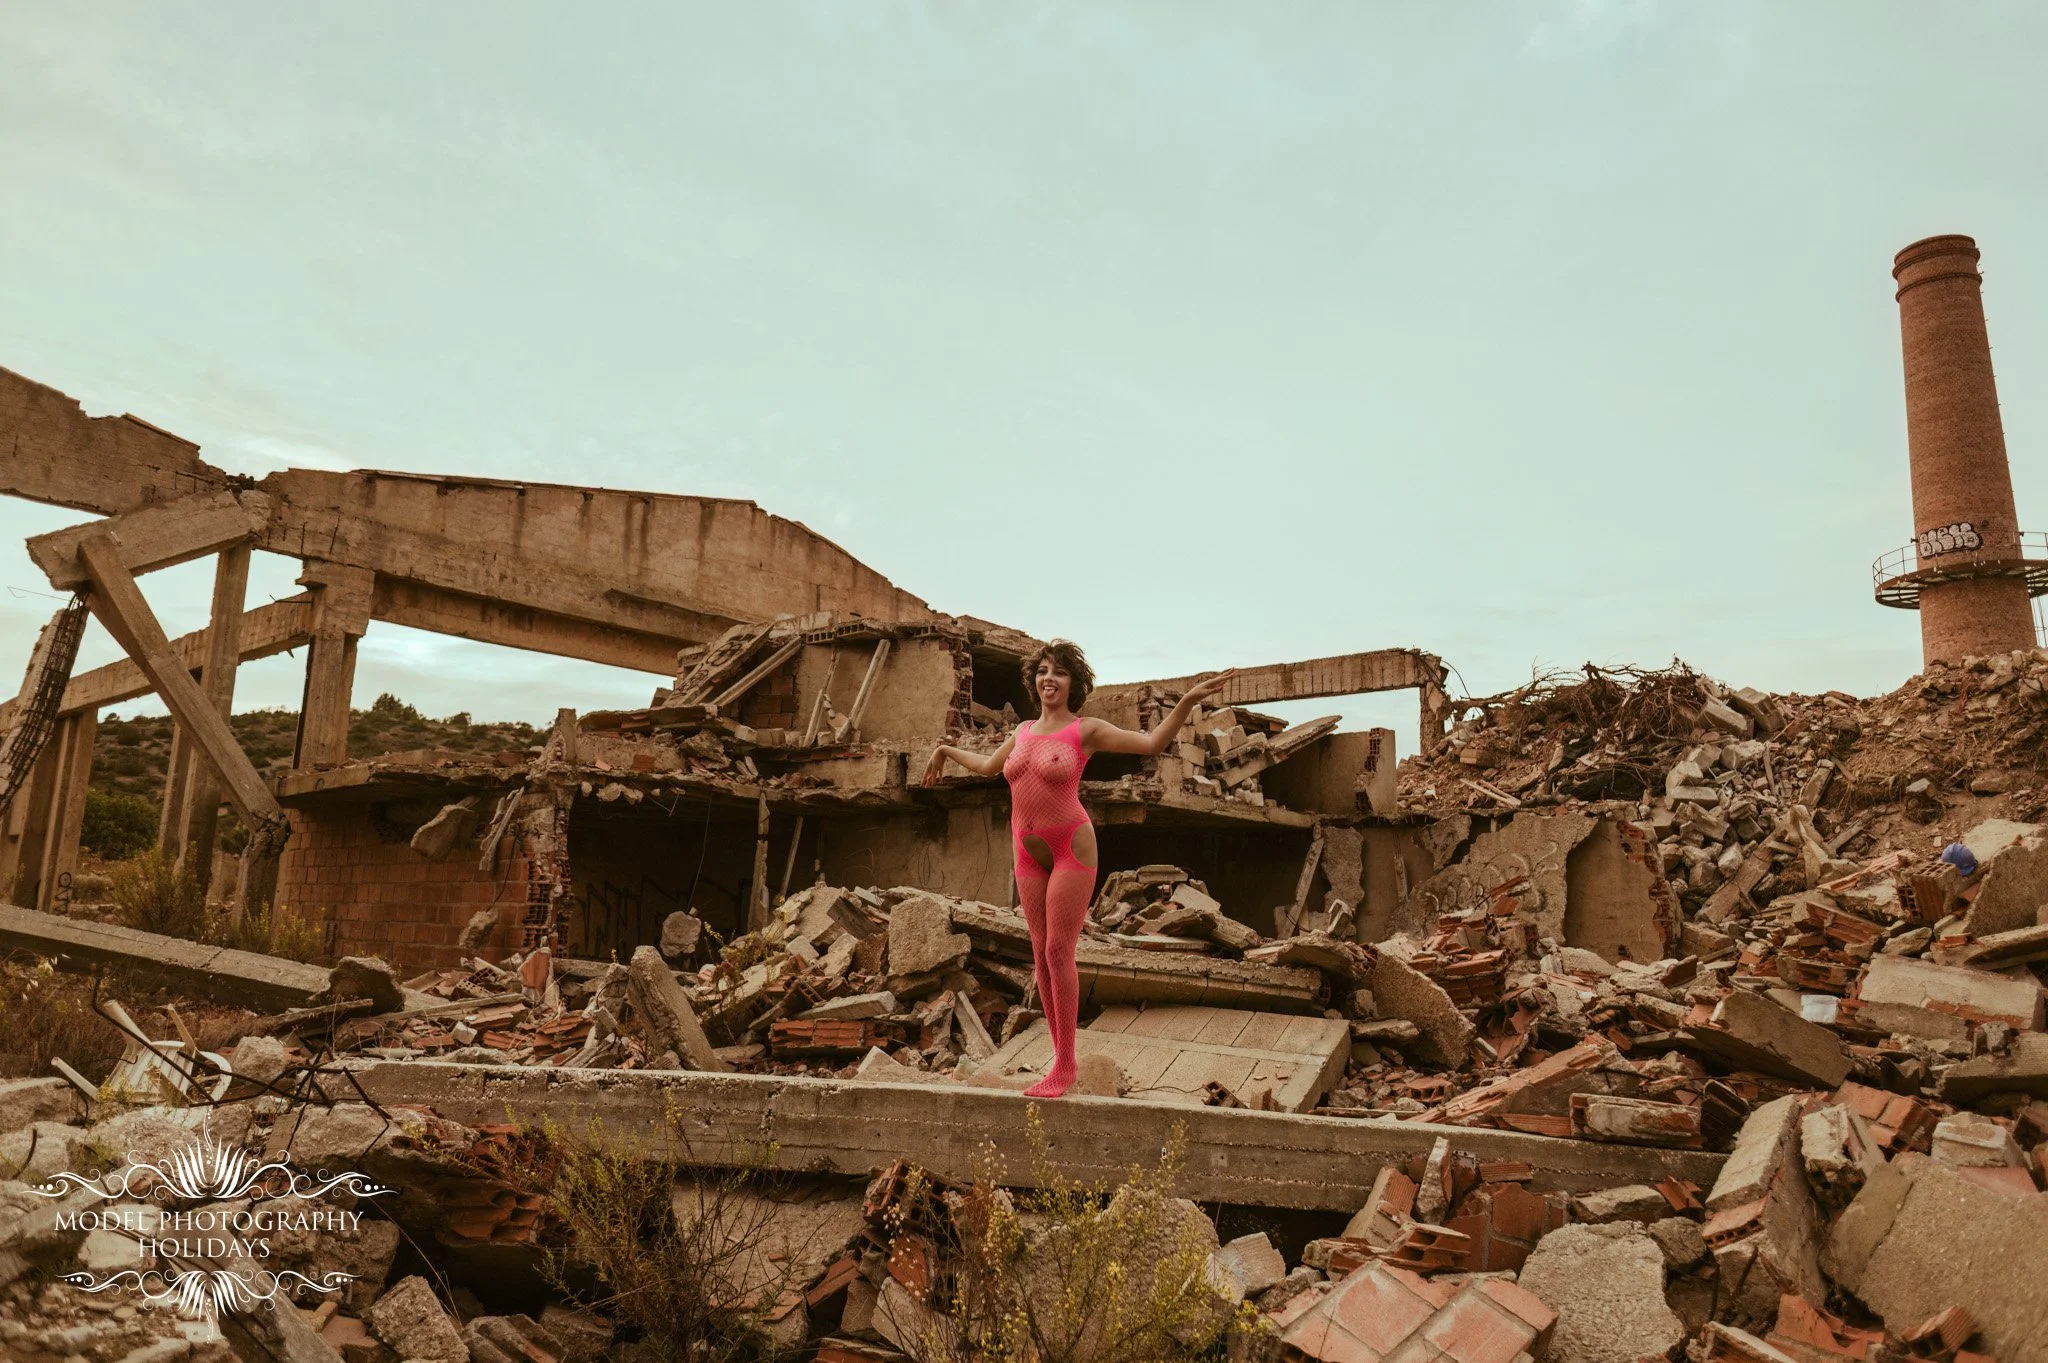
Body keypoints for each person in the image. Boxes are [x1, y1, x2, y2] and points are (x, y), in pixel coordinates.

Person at [921, 641, 1234, 1097]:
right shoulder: (1023, 731)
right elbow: (990, 768)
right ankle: (1058, 1060)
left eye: (1060, 673)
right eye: (1043, 671)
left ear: (1074, 684)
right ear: (1034, 680)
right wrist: (946, 751)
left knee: (1056, 952)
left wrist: (1186, 700)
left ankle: (1065, 1067)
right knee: (1039, 954)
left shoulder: (1085, 730)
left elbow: (1151, 743)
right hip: (1026, 852)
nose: (1050, 678)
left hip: (1071, 847)